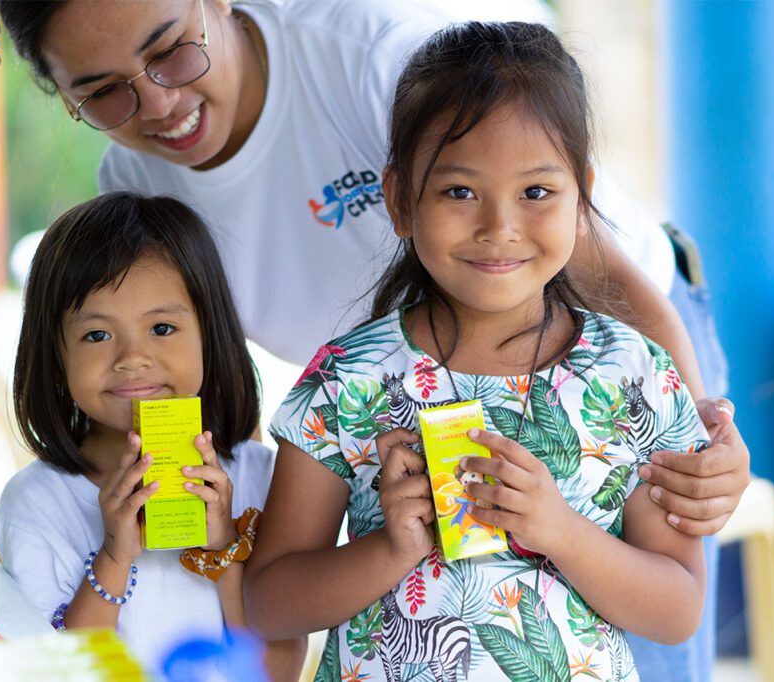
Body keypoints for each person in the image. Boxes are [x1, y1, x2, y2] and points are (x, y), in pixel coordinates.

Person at [0, 2, 751, 678]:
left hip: (635, 316)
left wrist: (703, 435)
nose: (156, 102)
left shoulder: (379, 60)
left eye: (168, 51)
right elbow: (270, 584)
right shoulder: (346, 385)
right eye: (102, 90)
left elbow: (670, 600)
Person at [244, 21, 714, 680]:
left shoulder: (632, 375)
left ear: (582, 195)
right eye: (460, 191)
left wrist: (560, 529)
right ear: (401, 200)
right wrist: (390, 548)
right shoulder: (348, 381)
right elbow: (267, 604)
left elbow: (679, 608)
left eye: (536, 192)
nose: (500, 227)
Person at [0, 193, 304, 678]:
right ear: (55, 354)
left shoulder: (265, 479)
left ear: (210, 332)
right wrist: (115, 555)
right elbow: (55, 670)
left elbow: (279, 671)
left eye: (162, 327)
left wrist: (223, 545)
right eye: (97, 335)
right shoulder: (37, 503)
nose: (132, 358)